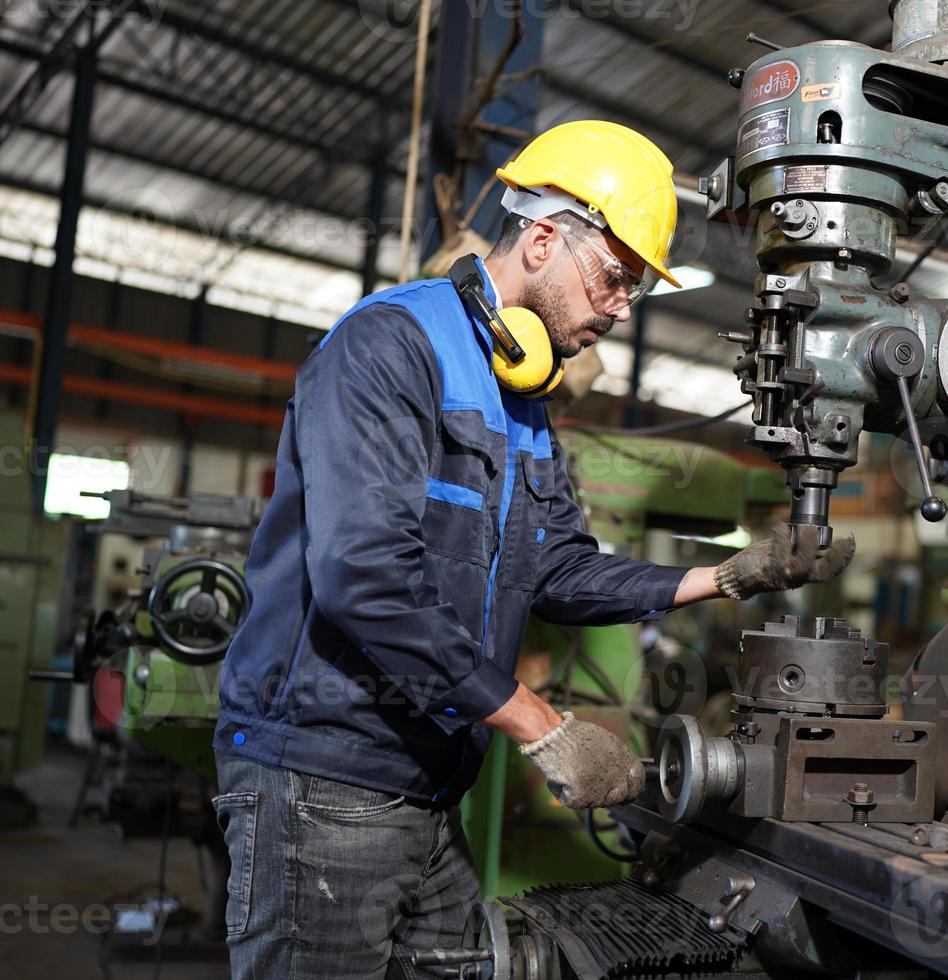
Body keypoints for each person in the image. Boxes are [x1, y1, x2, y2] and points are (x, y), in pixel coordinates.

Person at [209, 120, 853, 978]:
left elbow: (559, 568)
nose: (624, 308)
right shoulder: (391, 347)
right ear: (543, 240)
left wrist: (728, 575)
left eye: (634, 289)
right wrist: (544, 728)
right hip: (326, 779)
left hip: (428, 782)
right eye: (616, 279)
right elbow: (363, 579)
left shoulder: (522, 397)